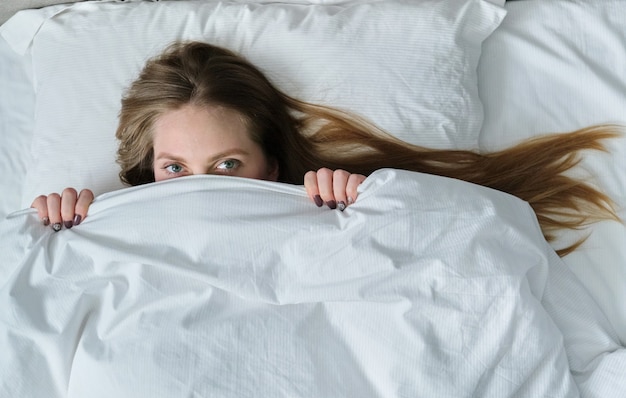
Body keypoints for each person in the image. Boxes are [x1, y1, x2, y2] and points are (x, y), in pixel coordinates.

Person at [31, 41, 622, 256]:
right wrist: (63, 232)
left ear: (274, 166)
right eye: (174, 168)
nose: (198, 185)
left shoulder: (330, 215)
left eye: (228, 165)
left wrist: (375, 211)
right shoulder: (106, 230)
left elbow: (488, 235)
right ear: (148, 170)